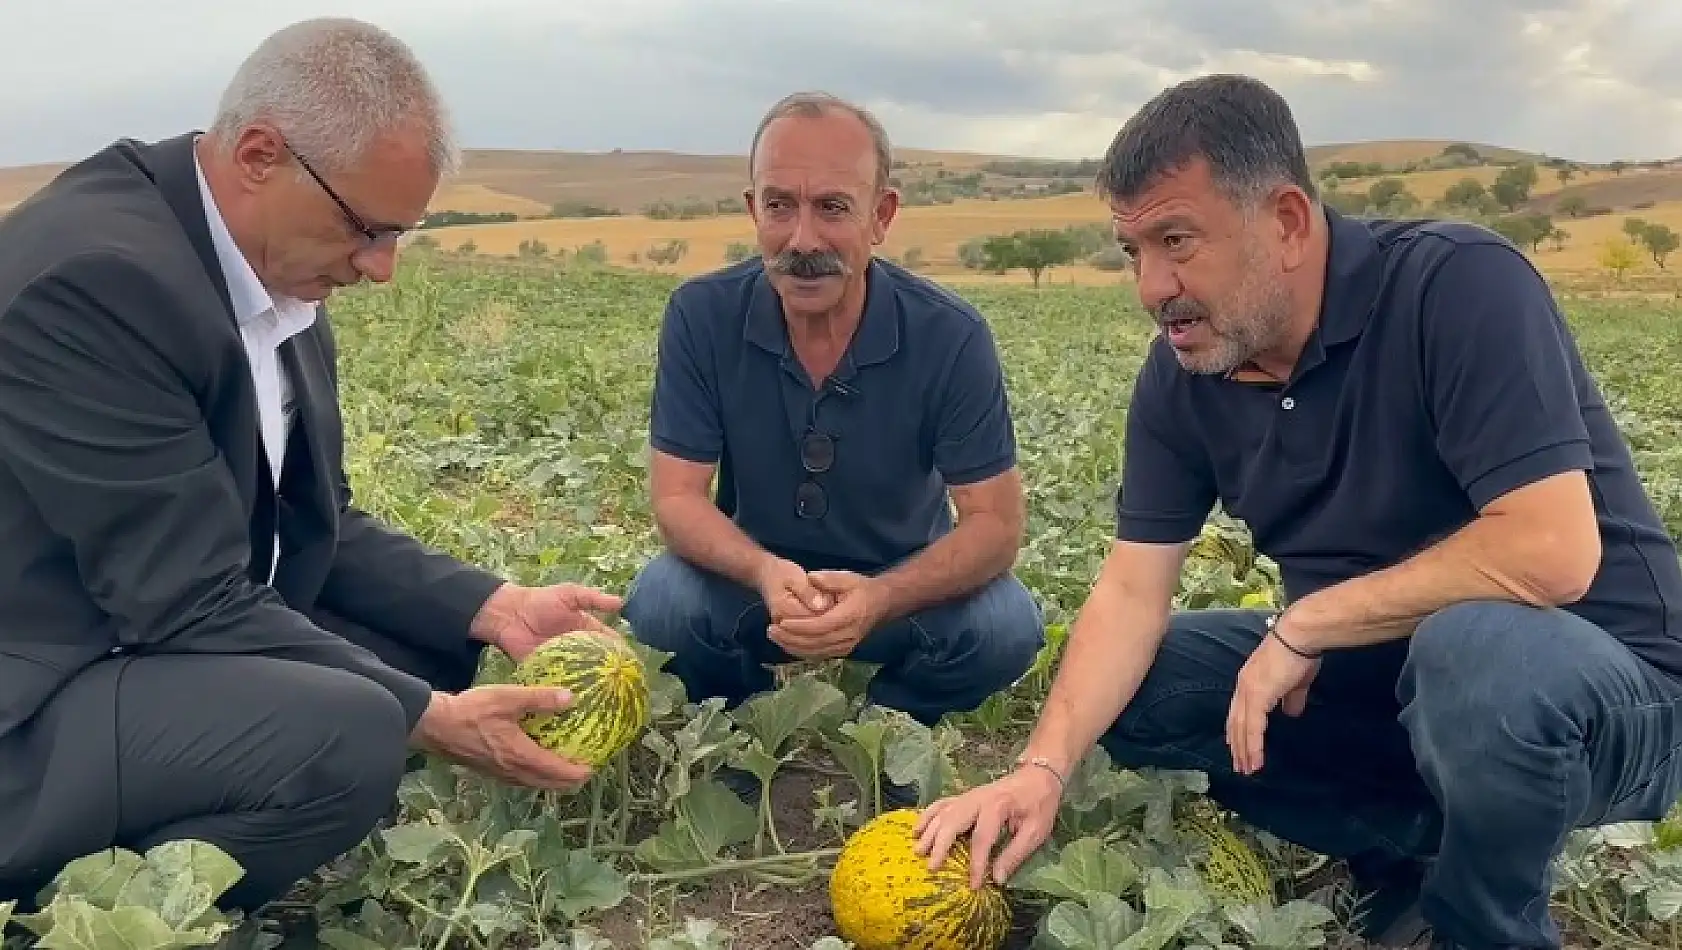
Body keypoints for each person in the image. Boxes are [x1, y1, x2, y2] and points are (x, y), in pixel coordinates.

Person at [913, 73, 1682, 950]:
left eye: (1177, 241)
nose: (1152, 287)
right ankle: (1413, 854)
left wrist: (1307, 621)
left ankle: (1483, 926)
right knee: (1145, 687)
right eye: (1134, 252)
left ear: (1284, 221)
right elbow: (1130, 593)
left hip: (1611, 694)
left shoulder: (1456, 284)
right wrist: (1040, 770)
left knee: (1475, 654)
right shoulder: (1183, 377)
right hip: (1388, 683)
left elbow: (1550, 552)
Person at [0, 18, 621, 914]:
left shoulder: (269, 265)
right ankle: (83, 910)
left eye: (400, 233)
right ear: (260, 154)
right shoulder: (97, 283)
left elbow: (310, 522)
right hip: (38, 699)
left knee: (433, 647)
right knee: (356, 733)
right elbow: (186, 596)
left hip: (137, 634)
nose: (382, 267)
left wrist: (495, 606)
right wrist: (432, 721)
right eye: (368, 229)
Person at [619, 91, 1045, 805]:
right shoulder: (702, 315)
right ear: (753, 208)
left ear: (882, 217)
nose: (803, 240)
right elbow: (676, 498)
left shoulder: (950, 335)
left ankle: (891, 728)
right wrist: (761, 570)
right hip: (755, 594)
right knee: (659, 604)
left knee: (1006, 626)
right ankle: (745, 724)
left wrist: (881, 597)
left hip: (901, 592)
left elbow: (996, 527)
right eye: (781, 206)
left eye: (833, 208)